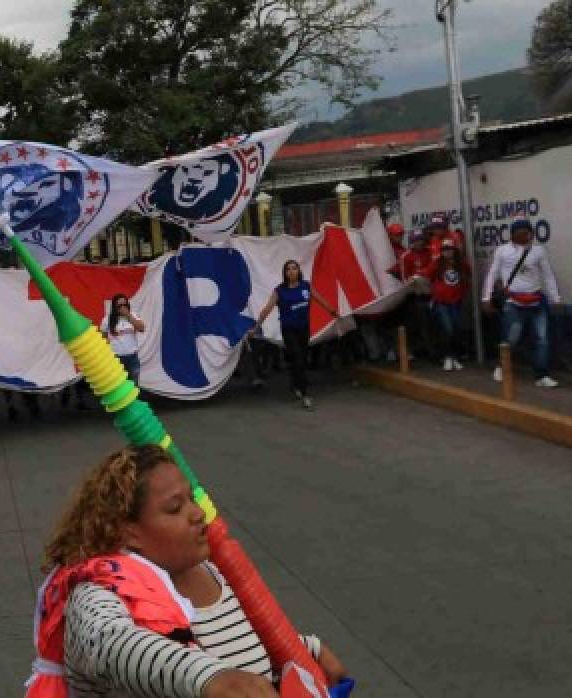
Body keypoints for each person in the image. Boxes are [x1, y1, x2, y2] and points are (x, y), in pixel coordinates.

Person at [29, 444, 346, 698]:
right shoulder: (97, 592)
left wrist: (308, 648)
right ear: (128, 532)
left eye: (191, 499)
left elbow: (242, 641)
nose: (196, 514)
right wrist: (211, 679)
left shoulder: (211, 570)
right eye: (174, 508)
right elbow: (110, 645)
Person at [481, 218, 562, 388]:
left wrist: (555, 298)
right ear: (514, 234)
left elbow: (548, 275)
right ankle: (501, 366)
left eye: (529, 232)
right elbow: (492, 274)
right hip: (513, 302)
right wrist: (486, 298)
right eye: (524, 232)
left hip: (536, 301)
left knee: (542, 339)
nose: (529, 235)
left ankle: (542, 375)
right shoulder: (502, 251)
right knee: (511, 338)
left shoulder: (538, 251)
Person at [251, 260, 340, 410]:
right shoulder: (279, 291)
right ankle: (305, 394)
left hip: (303, 329)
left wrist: (332, 311)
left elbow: (319, 299)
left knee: (301, 359)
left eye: (294, 268)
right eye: (288, 269)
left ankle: (295, 384)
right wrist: (256, 327)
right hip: (288, 330)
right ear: (285, 273)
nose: (292, 271)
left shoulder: (306, 286)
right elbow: (266, 309)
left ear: (299, 271)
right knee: (298, 357)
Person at [425, 240, 471, 371]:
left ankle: (454, 357)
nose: (448, 251)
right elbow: (427, 276)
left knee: (456, 328)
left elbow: (467, 277)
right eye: (445, 249)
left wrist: (462, 293)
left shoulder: (461, 264)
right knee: (448, 328)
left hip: (456, 302)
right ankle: (447, 357)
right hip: (442, 302)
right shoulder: (437, 264)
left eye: (450, 249)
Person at [101, 294, 146, 386]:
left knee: (134, 384)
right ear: (114, 307)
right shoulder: (107, 319)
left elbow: (141, 328)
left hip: (132, 357)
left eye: (124, 305)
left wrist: (128, 316)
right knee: (118, 385)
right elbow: (104, 336)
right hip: (116, 358)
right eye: (119, 306)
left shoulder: (133, 315)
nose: (122, 307)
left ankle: (133, 400)